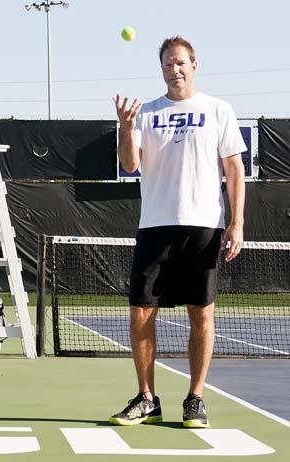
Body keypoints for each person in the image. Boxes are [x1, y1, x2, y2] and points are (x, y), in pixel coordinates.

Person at [110, 36, 246, 428]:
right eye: (169, 63)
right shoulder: (147, 113)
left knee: (201, 314)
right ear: (162, 69)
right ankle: (147, 398)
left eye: (181, 62)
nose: (175, 69)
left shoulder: (218, 110)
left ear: (194, 64)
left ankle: (195, 398)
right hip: (155, 226)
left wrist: (236, 222)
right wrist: (125, 127)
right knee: (140, 312)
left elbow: (234, 170)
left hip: (203, 227)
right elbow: (130, 163)